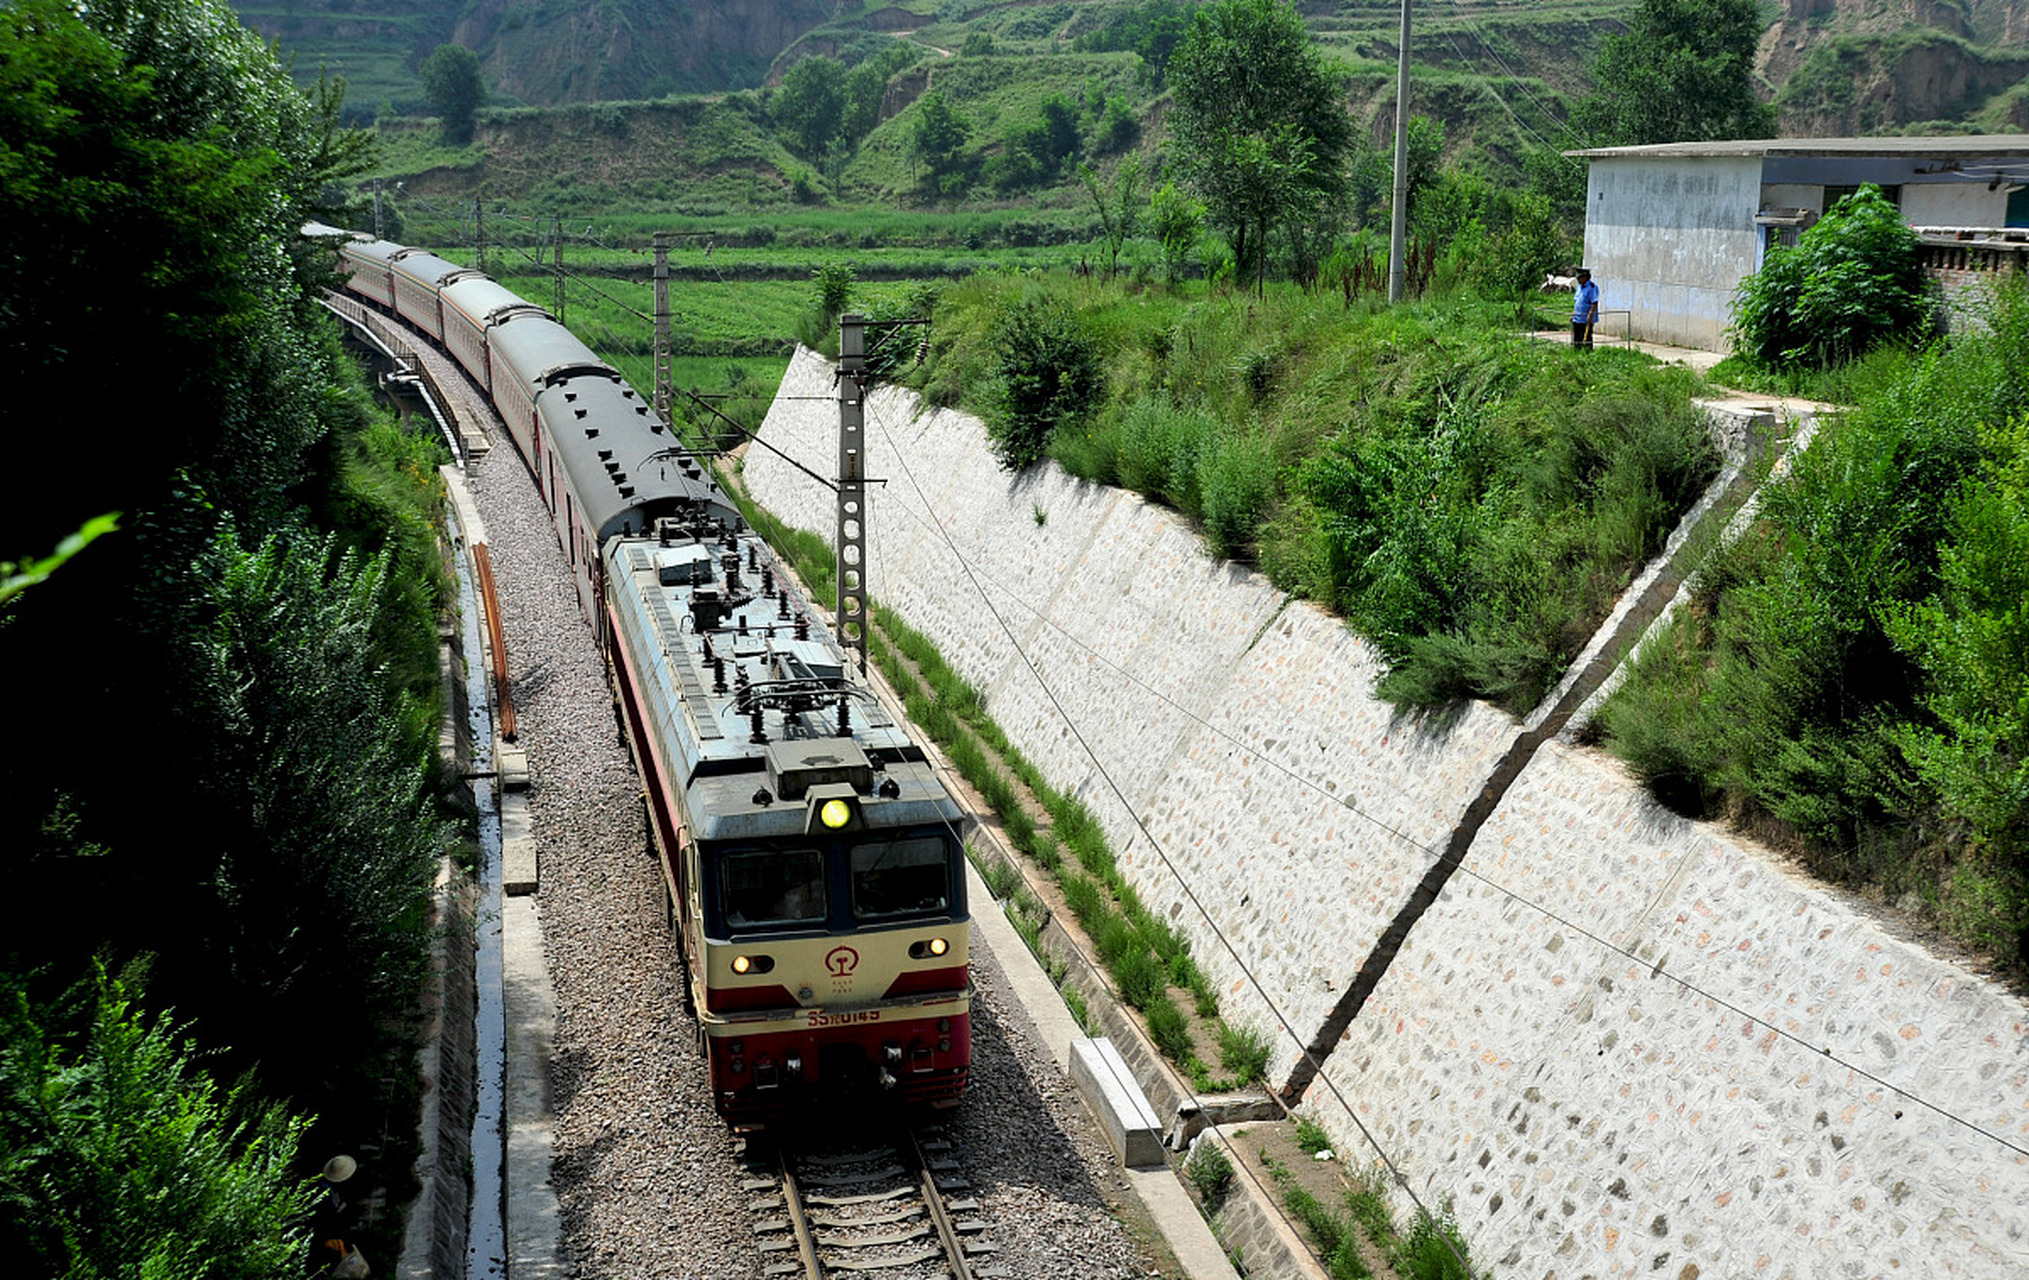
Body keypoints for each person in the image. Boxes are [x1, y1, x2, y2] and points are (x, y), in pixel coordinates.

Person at [1571, 267, 1599, 349]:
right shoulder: (1579, 287)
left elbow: (1594, 302)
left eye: (1580, 278)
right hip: (1577, 316)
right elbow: (1577, 301)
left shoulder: (1592, 287)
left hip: (1586, 317)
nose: (1578, 280)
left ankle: (1587, 351)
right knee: (1577, 336)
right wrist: (1573, 313)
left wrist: (1590, 315)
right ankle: (1577, 350)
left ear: (1585, 278)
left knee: (1586, 336)